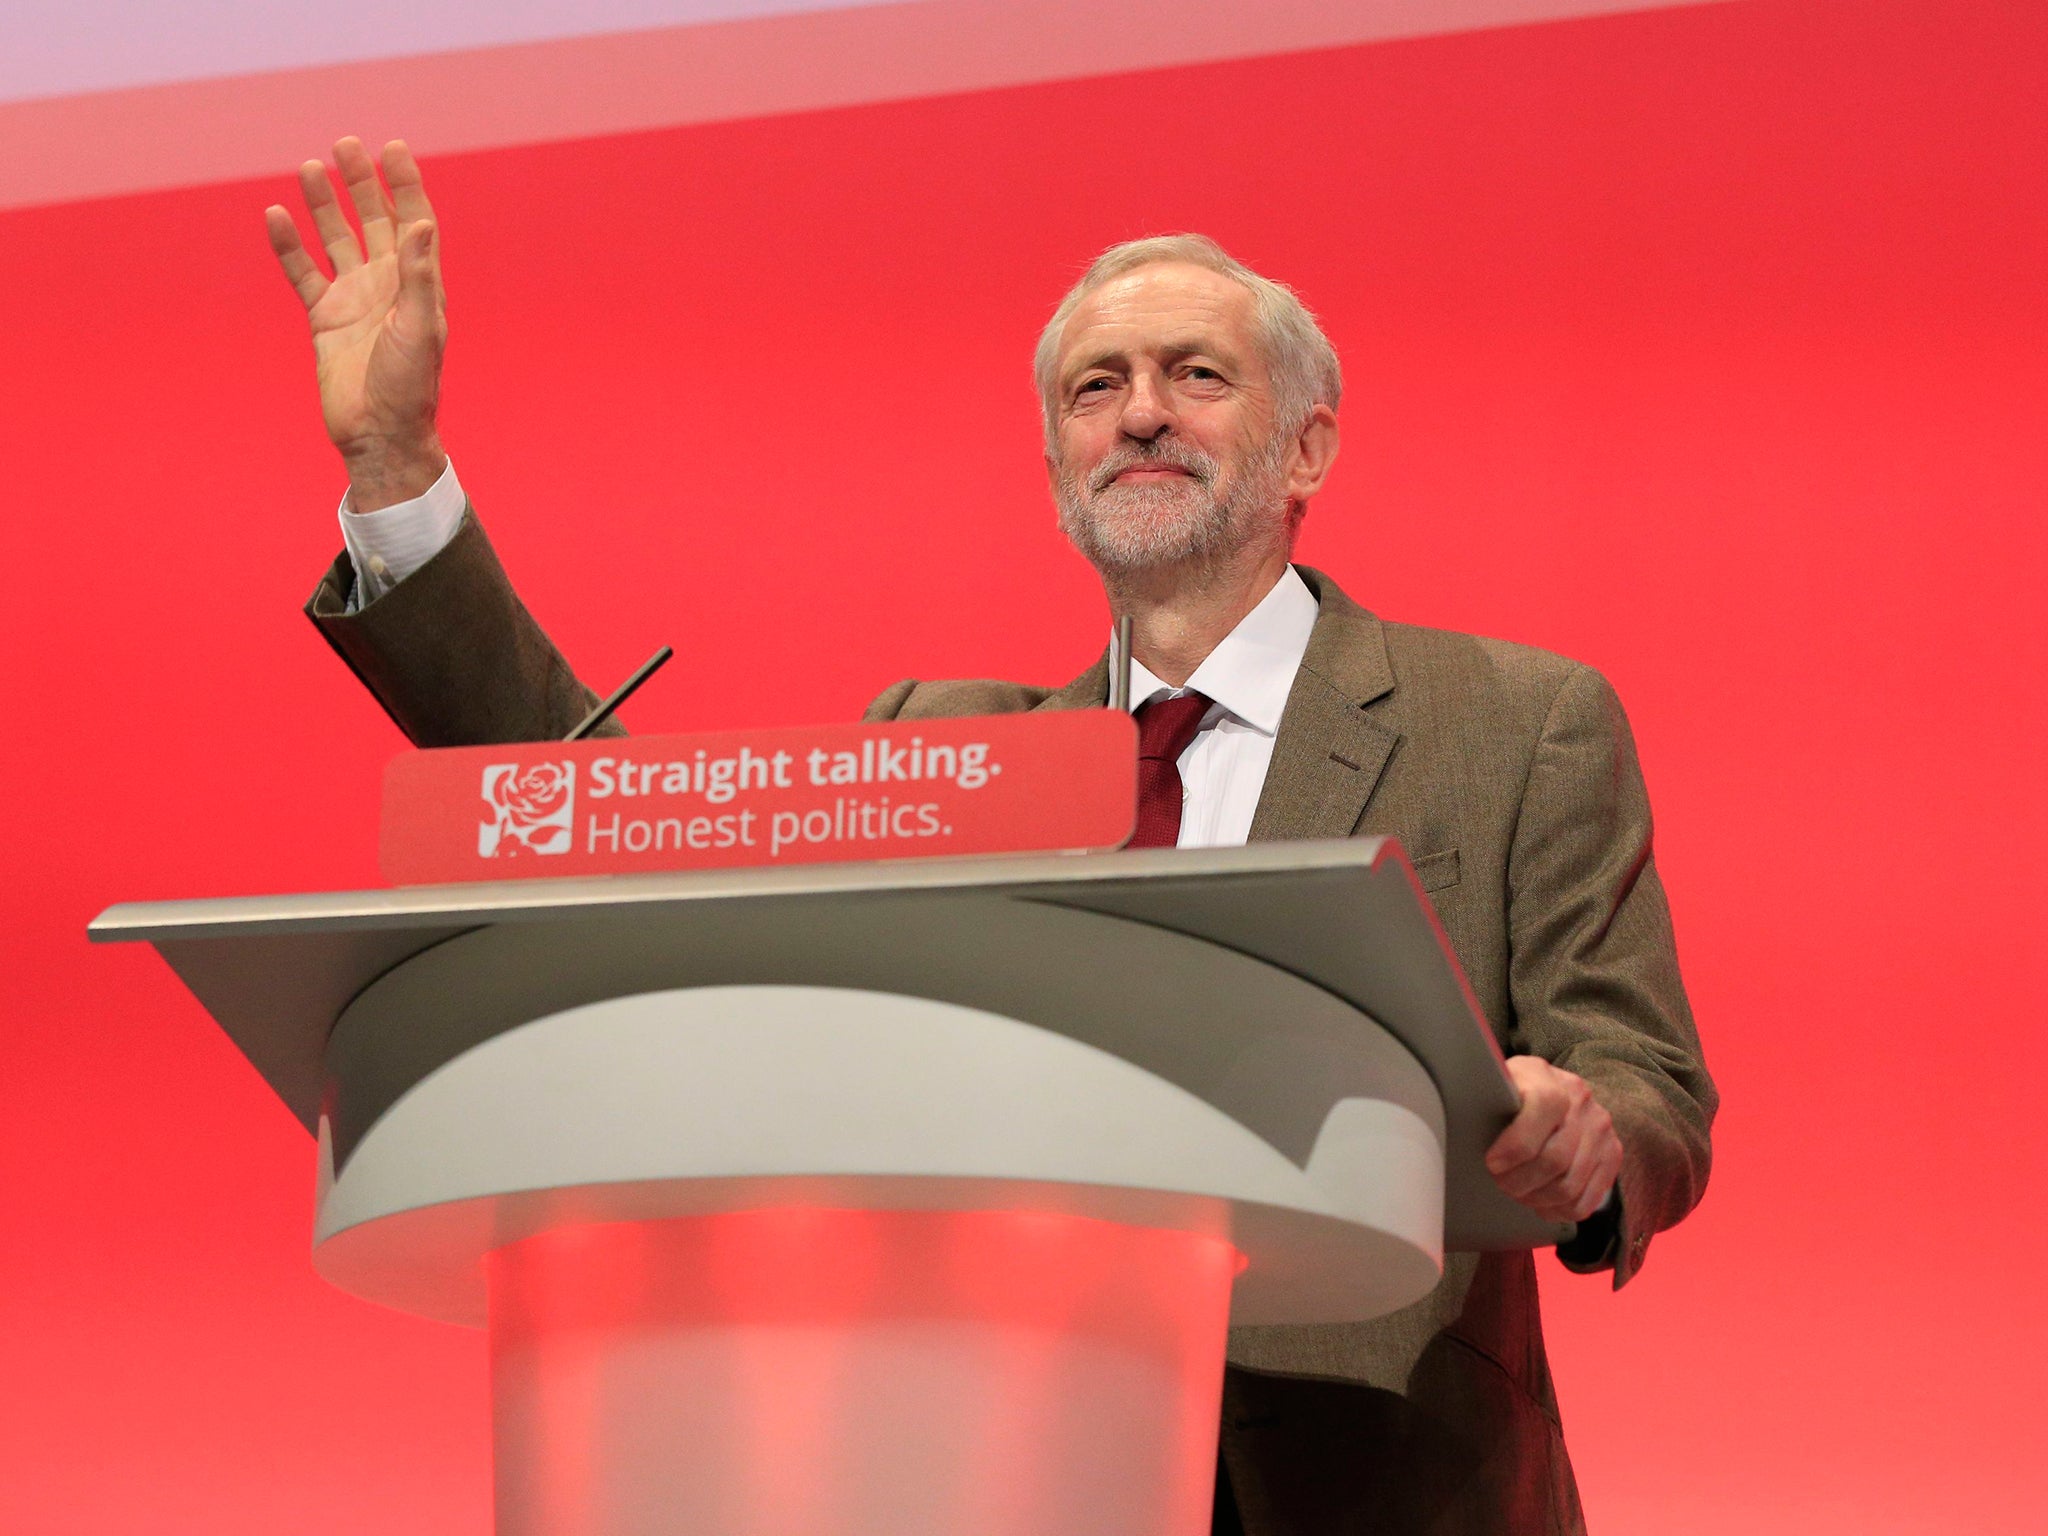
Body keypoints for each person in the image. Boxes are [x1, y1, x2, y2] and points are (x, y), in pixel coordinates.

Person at [268, 137, 1715, 1535]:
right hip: (992, 1464)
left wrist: (1590, 1138)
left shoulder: (1516, 719)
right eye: (1098, 387)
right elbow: (624, 836)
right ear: (1056, 465)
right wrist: (398, 468)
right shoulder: (946, 746)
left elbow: (1647, 1087)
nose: (1140, 412)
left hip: (1389, 1481)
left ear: (1306, 446)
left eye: (1195, 375)